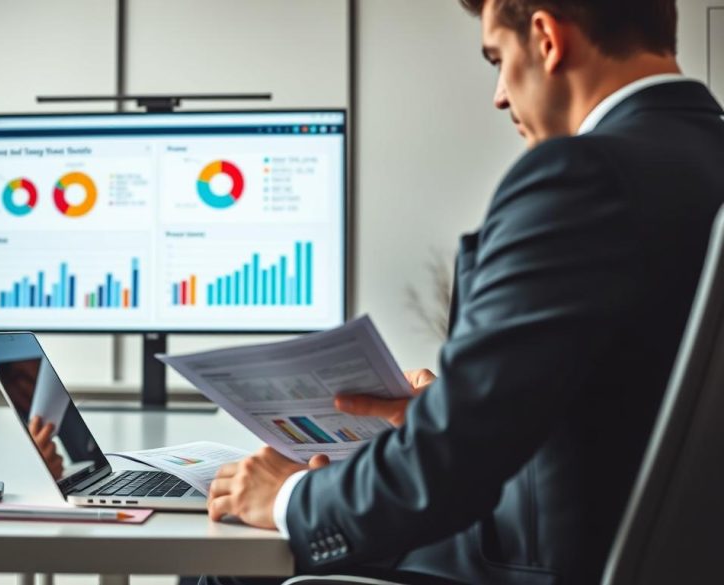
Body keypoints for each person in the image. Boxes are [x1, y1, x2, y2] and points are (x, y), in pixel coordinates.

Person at [205, 1, 724, 584]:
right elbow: (627, 392)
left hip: (534, 563)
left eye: (497, 59)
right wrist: (454, 405)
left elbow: (454, 466)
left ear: (547, 39)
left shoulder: (579, 177)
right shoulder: (705, 152)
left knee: (223, 565)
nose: (500, 95)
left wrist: (292, 498)